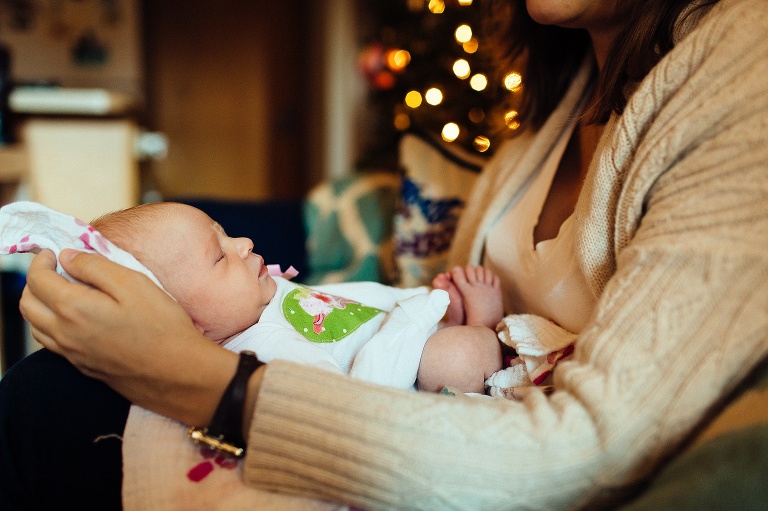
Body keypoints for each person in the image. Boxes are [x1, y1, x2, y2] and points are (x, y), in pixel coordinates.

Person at [2, 0, 767, 509]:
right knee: (46, 392)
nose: (245, 250)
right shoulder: (555, 111)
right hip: (444, 412)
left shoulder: (744, 56)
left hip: (496, 466)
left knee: (42, 410)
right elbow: (431, 316)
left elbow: (585, 452)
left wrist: (201, 380)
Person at [88, 201, 506, 393]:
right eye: (219, 256)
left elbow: (342, 302)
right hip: (407, 375)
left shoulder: (254, 302)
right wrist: (415, 321)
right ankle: (482, 332)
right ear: (189, 326)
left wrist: (409, 300)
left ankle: (450, 326)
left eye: (224, 232)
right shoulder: (265, 356)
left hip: (399, 327)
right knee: (450, 359)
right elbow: (361, 402)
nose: (245, 243)